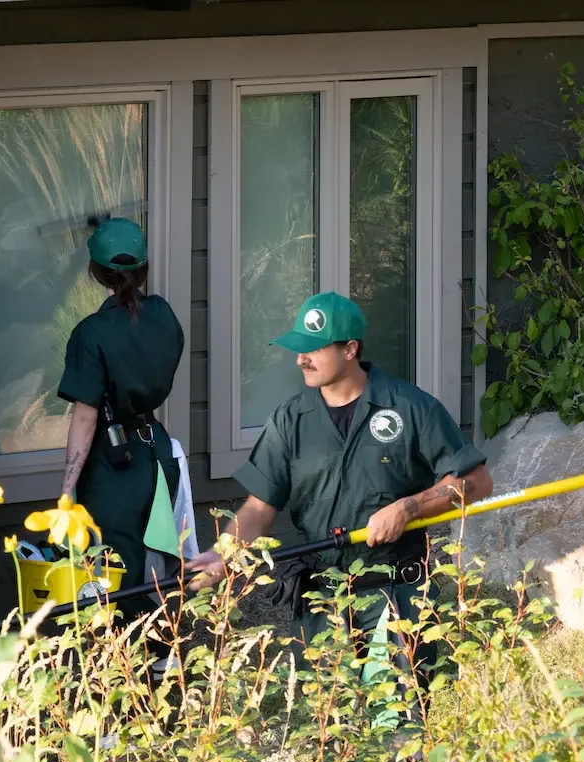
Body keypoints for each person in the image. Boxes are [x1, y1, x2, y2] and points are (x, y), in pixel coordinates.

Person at [185, 291, 493, 698]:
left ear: (350, 349)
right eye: (298, 349)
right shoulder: (291, 420)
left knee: (395, 724)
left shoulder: (409, 406)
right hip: (321, 600)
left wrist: (409, 507)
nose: (301, 359)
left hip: (395, 594)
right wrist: (224, 552)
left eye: (314, 349)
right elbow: (259, 507)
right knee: (329, 726)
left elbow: (476, 482)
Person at [56, 217, 186, 660]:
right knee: (159, 562)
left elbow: (85, 416)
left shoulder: (91, 333)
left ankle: (122, 672)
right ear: (144, 270)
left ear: (95, 272)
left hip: (113, 465)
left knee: (114, 570)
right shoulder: (164, 315)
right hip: (159, 453)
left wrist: (67, 490)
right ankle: (164, 660)